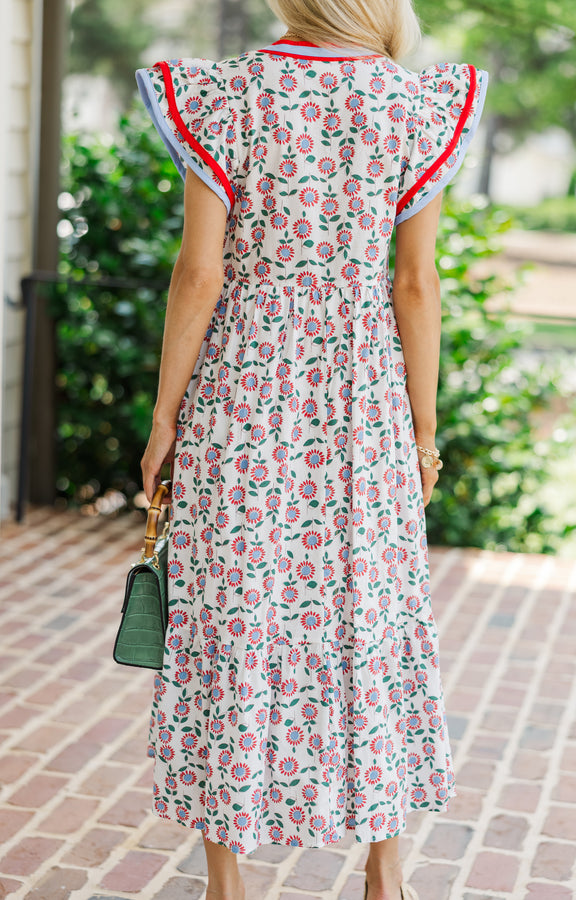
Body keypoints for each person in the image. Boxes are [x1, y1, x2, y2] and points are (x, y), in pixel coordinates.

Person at [136, 0, 488, 897]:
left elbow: (201, 271)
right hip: (362, 395)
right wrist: (422, 426)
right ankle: (385, 871)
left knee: (232, 617)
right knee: (368, 613)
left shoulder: (229, 97)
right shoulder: (416, 105)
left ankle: (226, 882)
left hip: (243, 394)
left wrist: (166, 416)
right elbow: (415, 284)